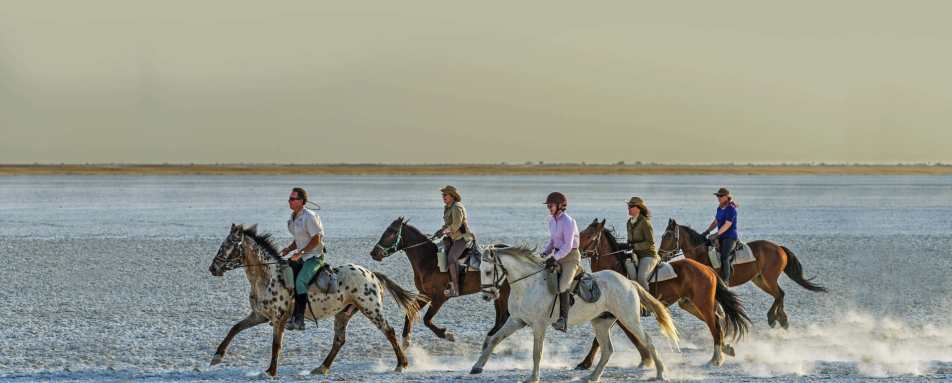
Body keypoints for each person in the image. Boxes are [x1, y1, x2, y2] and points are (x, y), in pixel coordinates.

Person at [279, 187, 326, 331]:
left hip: (314, 257)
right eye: (289, 199)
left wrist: (301, 253)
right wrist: (289, 249)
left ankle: (300, 320)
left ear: (301, 201)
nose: (290, 201)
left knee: (300, 282)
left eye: (293, 199)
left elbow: (316, 239)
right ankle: (288, 314)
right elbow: (299, 239)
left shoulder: (309, 216)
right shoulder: (292, 218)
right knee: (284, 274)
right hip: (301, 256)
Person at [541, 192, 581, 332]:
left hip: (570, 258)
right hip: (558, 255)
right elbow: (553, 241)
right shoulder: (551, 221)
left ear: (559, 205)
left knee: (563, 286)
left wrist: (554, 258)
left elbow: (568, 245)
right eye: (548, 206)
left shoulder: (568, 221)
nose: (549, 208)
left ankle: (563, 320)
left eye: (550, 206)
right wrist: (544, 253)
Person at [435, 185, 472, 297]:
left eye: (445, 195)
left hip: (462, 238)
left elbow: (456, 225)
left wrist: (444, 231)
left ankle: (456, 289)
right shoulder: (447, 207)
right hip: (452, 238)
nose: (443, 197)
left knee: (451, 258)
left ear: (452, 196)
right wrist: (440, 230)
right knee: (437, 250)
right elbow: (447, 224)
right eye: (442, 195)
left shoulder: (457, 207)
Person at [616, 197, 658, 292]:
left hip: (648, 255)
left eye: (631, 206)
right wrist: (624, 246)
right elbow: (630, 241)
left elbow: (650, 242)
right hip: (635, 255)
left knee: (641, 278)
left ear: (638, 208)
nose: (628, 208)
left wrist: (635, 246)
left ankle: (647, 299)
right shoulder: (629, 222)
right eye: (628, 206)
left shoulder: (645, 222)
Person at [702, 187, 738, 283]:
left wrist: (716, 234)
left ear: (726, 197)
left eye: (721, 196)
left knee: (724, 257)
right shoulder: (719, 208)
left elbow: (727, 224)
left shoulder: (731, 209)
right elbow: (716, 222)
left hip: (730, 237)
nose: (718, 198)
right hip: (720, 236)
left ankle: (725, 280)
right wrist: (707, 231)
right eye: (718, 196)